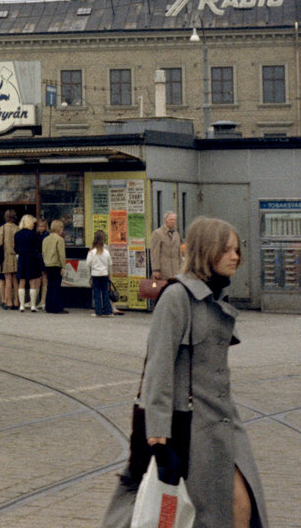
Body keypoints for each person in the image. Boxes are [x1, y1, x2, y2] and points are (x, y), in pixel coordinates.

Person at [139, 218, 268, 528]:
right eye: (226, 250)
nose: (235, 256)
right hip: (192, 429)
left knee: (242, 505)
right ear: (205, 251)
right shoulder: (176, 297)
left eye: (237, 249)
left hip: (226, 425)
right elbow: (158, 367)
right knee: (211, 512)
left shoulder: (214, 298)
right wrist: (158, 440)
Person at [13, 214, 42, 311]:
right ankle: (33, 305)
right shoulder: (34, 235)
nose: (34, 225)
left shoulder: (17, 234)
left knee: (22, 281)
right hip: (32, 258)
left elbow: (16, 249)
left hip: (22, 258)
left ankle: (22, 305)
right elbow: (39, 247)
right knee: (32, 281)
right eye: (33, 223)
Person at [85, 230, 113, 317]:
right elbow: (110, 264)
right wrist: (110, 275)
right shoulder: (106, 252)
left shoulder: (92, 252)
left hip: (95, 274)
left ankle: (98, 311)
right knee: (105, 292)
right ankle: (108, 311)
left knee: (97, 293)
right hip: (104, 274)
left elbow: (88, 263)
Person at [149, 210, 183, 282]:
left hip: (176, 271)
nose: (173, 222)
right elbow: (155, 253)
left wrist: (181, 268)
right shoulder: (157, 234)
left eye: (174, 220)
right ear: (165, 221)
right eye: (171, 220)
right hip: (163, 271)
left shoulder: (176, 234)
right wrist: (156, 269)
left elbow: (179, 253)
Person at [0, 209, 19, 309]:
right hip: (16, 255)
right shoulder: (18, 228)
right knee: (15, 279)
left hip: (6, 255)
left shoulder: (2, 228)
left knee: (7, 279)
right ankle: (16, 301)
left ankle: (8, 302)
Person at [42, 219, 67, 313]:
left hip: (47, 264)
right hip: (56, 264)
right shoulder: (60, 239)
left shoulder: (45, 239)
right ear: (59, 228)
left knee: (50, 286)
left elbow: (43, 252)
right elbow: (61, 254)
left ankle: (48, 307)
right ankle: (57, 308)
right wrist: (63, 266)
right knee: (57, 286)